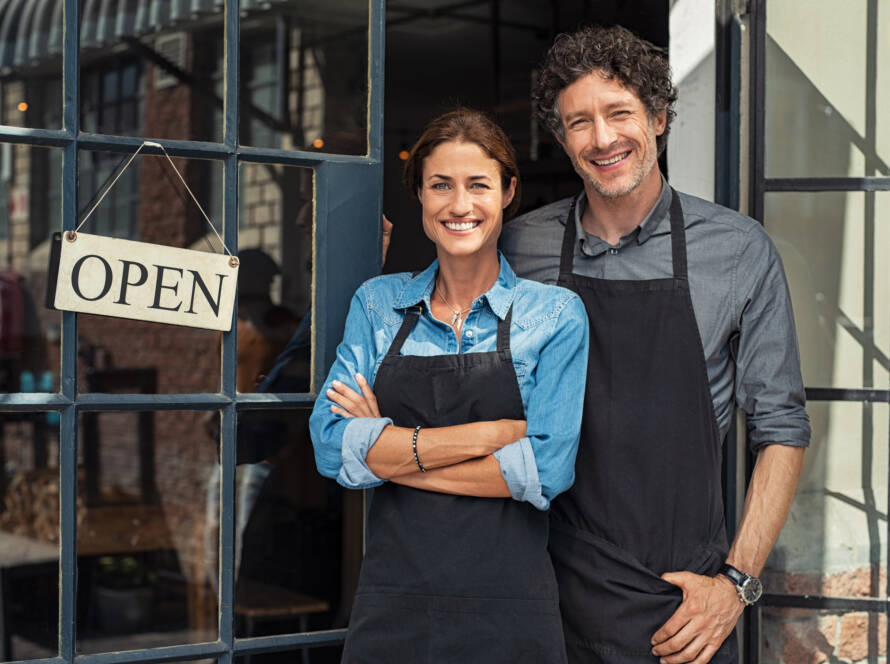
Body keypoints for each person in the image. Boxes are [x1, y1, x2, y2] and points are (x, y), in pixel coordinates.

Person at [497, 25, 810, 664]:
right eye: (578, 121)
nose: (603, 138)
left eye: (619, 113)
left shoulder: (738, 249)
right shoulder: (517, 247)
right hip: (541, 587)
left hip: (683, 606)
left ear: (659, 117)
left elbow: (782, 429)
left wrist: (737, 584)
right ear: (561, 139)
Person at [309, 108, 588, 663]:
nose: (459, 205)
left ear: (508, 192)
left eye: (478, 185)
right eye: (441, 185)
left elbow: (548, 471)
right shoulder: (378, 304)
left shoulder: (554, 315)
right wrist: (492, 435)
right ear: (420, 196)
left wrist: (389, 453)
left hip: (510, 611)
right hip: (395, 604)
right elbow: (328, 445)